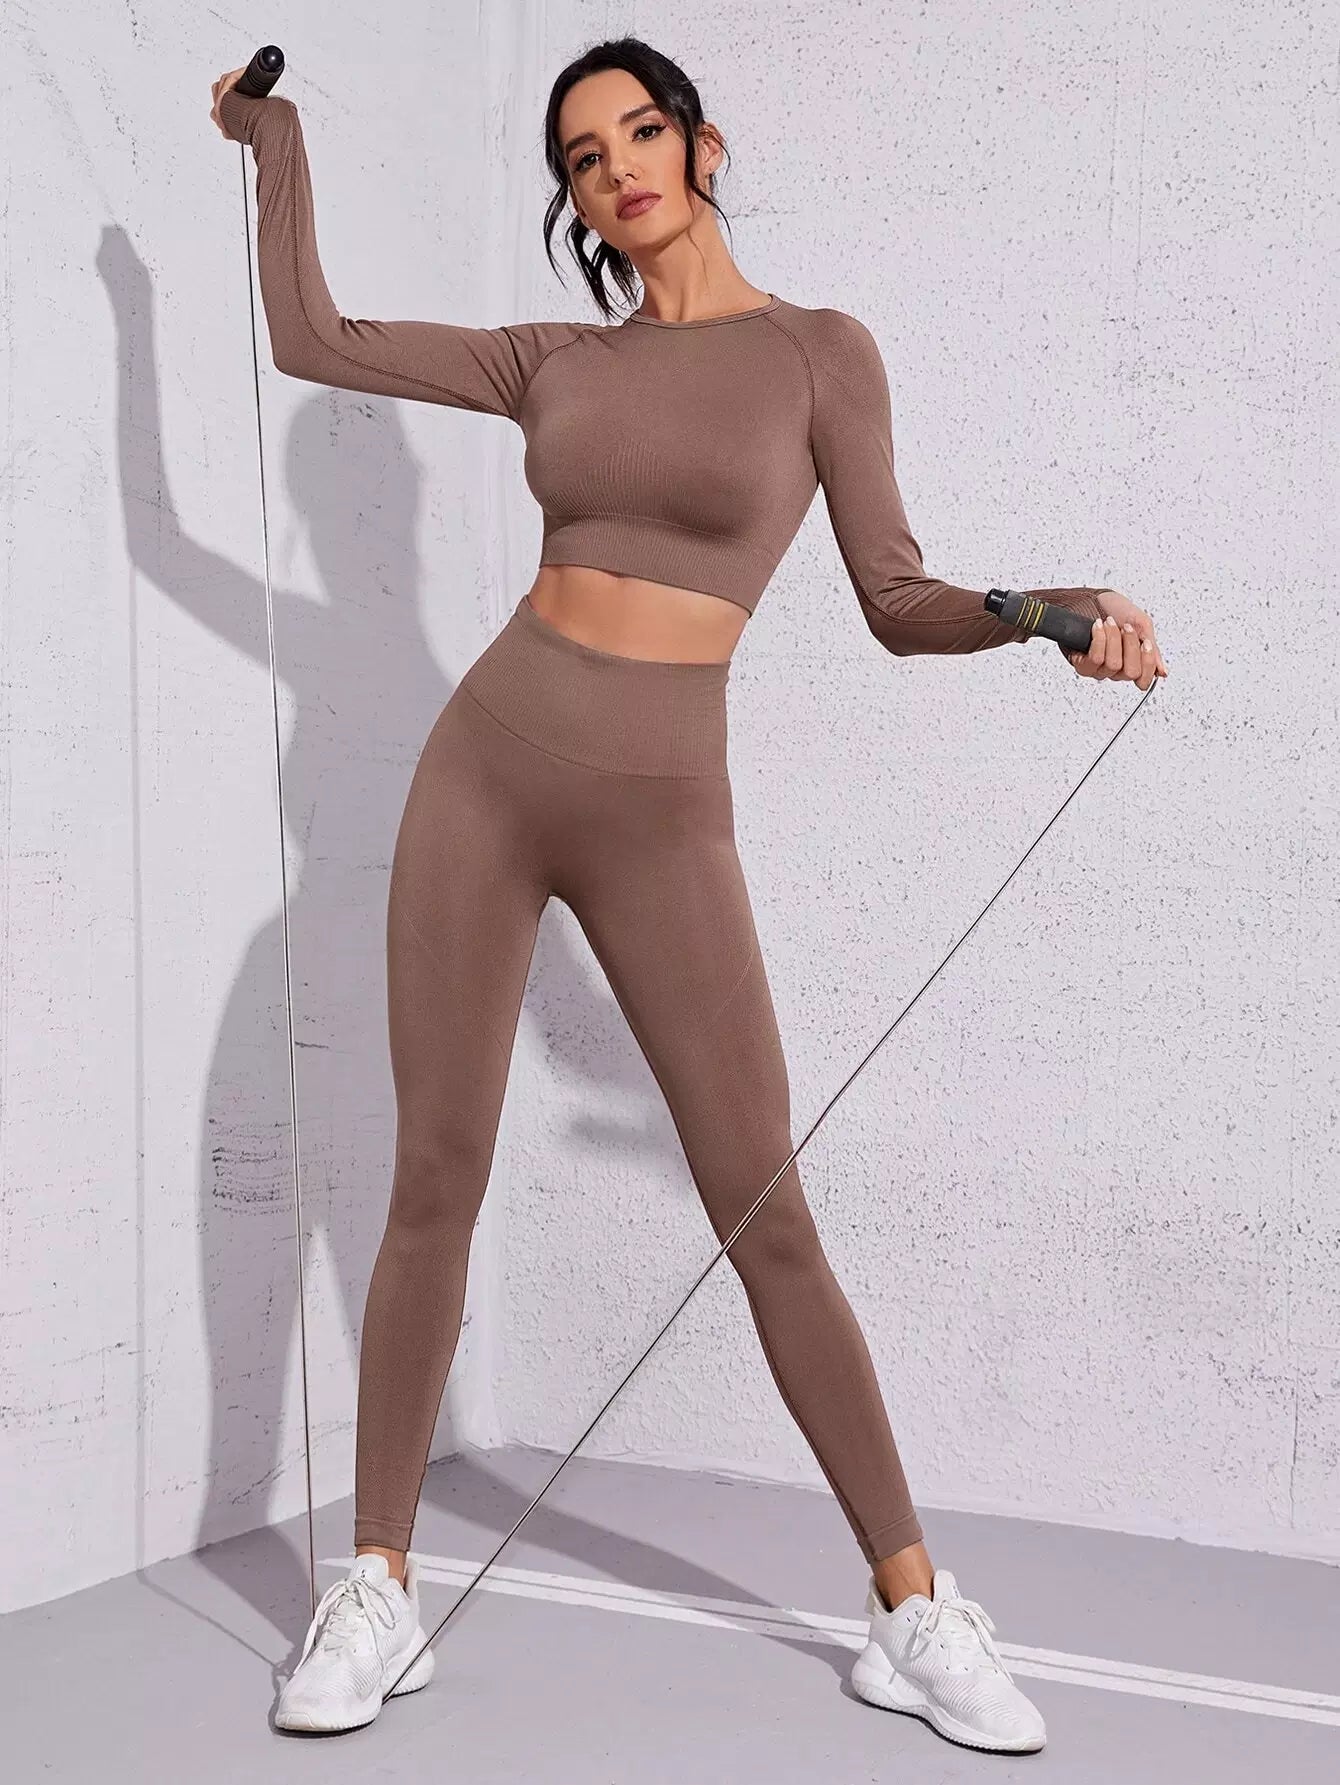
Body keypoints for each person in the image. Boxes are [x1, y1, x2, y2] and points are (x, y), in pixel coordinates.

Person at [211, 33, 1166, 1752]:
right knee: (434, 1176)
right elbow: (314, 338)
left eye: (641, 131)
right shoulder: (554, 359)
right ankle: (378, 1584)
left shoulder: (817, 354)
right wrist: (271, 138)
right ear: (575, 200)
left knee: (764, 1203)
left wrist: (1047, 612)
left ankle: (912, 1608)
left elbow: (894, 596)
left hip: (664, 815)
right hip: (483, 776)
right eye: (584, 157)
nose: (619, 169)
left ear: (702, 145)